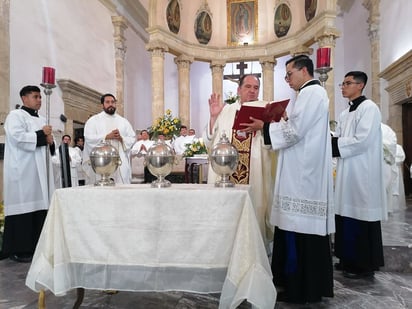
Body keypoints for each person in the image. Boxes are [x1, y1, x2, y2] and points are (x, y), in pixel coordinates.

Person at [242, 55, 334, 303]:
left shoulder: (313, 94)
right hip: (298, 170)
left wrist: (264, 126)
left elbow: (294, 132)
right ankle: (290, 282)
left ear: (304, 71)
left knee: (300, 230)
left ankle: (302, 288)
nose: (287, 80)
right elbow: (295, 127)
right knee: (292, 228)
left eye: (289, 74)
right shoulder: (305, 95)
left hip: (304, 176)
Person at [202, 74, 276, 246]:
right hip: (226, 173)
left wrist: (265, 127)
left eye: (256, 88)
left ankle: (255, 250)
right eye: (247, 87)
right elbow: (208, 141)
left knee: (255, 207)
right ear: (239, 90)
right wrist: (213, 117)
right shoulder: (226, 110)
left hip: (255, 169)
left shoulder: (266, 109)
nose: (252, 91)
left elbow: (273, 144)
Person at [332, 71, 386, 279]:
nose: (343, 87)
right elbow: (339, 137)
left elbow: (362, 140)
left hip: (363, 171)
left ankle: (363, 264)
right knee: (345, 215)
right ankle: (347, 259)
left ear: (360, 85)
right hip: (347, 171)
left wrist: (335, 145)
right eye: (342, 83)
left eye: (347, 83)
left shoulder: (369, 108)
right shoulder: (345, 114)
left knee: (360, 216)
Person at [0, 85, 55, 263]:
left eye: (40, 97)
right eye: (35, 96)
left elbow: (47, 148)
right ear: (24, 98)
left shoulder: (41, 119)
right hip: (23, 170)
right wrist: (41, 134)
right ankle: (20, 249)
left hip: (39, 173)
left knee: (39, 209)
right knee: (23, 208)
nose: (39, 100)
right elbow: (17, 137)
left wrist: (50, 141)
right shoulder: (15, 116)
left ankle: (36, 246)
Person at [82, 93, 136, 184]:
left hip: (119, 163)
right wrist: (107, 136)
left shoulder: (123, 121)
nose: (111, 104)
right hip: (100, 161)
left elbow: (132, 138)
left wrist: (121, 139)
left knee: (120, 189)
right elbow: (88, 137)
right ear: (102, 105)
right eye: (107, 102)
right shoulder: (94, 120)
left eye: (113, 102)